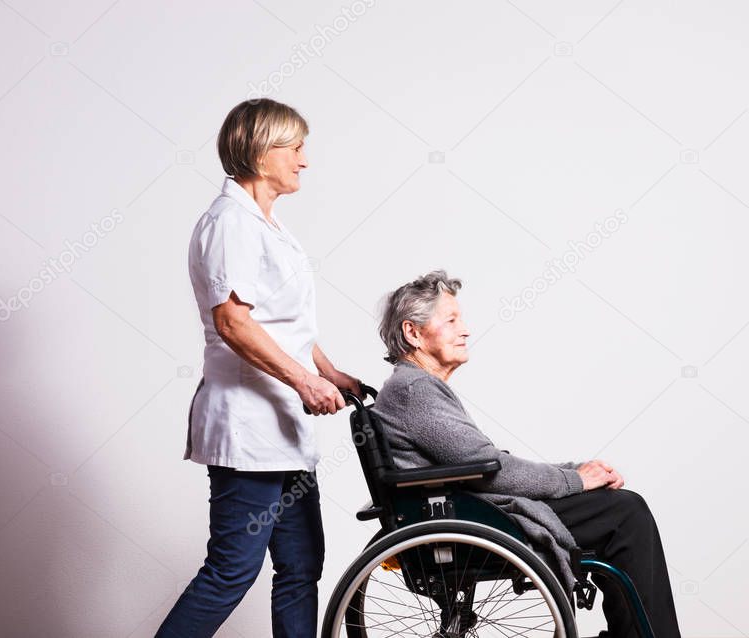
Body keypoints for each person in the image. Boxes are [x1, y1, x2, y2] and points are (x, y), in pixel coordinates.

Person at [369, 270, 682, 638]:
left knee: (618, 507)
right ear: (414, 333)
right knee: (625, 512)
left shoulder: (415, 387)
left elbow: (482, 461)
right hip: (468, 523)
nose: (465, 330)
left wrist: (574, 471)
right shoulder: (414, 389)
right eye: (451, 320)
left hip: (468, 511)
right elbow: (492, 470)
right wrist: (576, 479)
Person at [156, 99, 362, 638]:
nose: (304, 160)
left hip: (283, 424)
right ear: (259, 152)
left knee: (301, 566)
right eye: (294, 148)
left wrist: (329, 371)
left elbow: (284, 322)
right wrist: (303, 380)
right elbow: (233, 322)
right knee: (231, 571)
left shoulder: (267, 224)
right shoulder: (229, 224)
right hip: (249, 426)